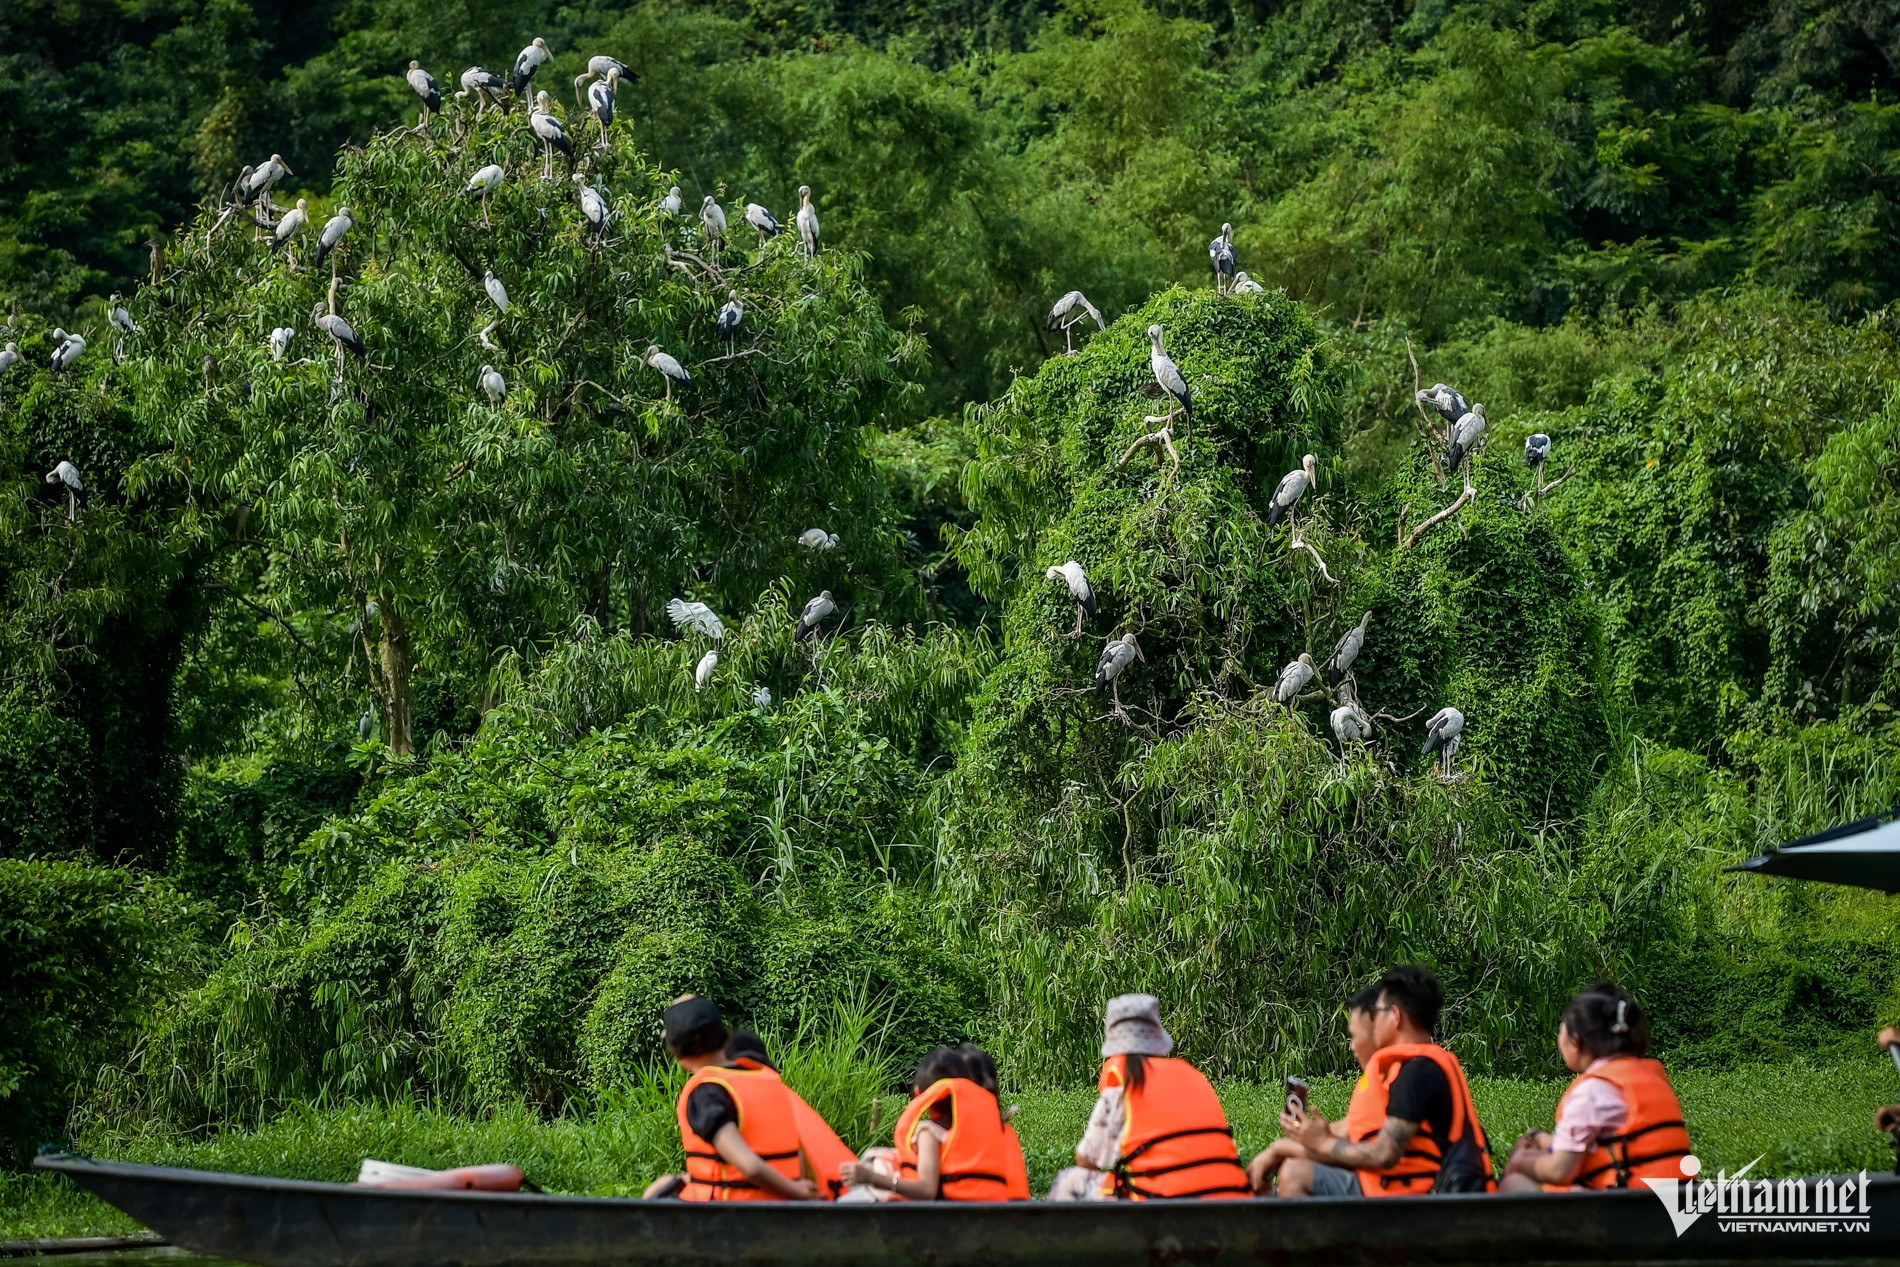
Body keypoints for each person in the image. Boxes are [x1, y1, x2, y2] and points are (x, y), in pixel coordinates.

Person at [1249, 965, 1493, 1197]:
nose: (1373, 1019)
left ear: (1395, 1016)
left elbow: (1384, 1154)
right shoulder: (1411, 1067)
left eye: (1378, 1012)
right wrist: (1305, 1141)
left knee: (1296, 1173)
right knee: (1297, 1165)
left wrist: (1321, 1144)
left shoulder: (1417, 1072)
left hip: (1420, 1198)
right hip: (1407, 1188)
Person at [1048, 994, 1251, 1201]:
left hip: (1160, 1207)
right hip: (1226, 1201)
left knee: (1070, 1179)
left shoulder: (1124, 1086)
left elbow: (1087, 1159)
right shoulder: (1194, 1076)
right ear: (1157, 1038)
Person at [1500, 984, 1691, 1192]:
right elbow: (1610, 1148)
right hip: (1670, 1202)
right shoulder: (1651, 1079)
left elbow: (1560, 1171)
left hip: (1625, 1211)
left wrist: (1520, 1161)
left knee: (1514, 1181)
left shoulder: (1591, 1092)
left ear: (1575, 1041)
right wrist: (1540, 1139)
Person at [642, 995, 815, 1201]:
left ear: (676, 1049)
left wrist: (798, 1193)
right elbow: (796, 1154)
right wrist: (796, 1192)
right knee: (669, 1183)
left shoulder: (707, 1092)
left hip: (734, 1211)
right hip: (784, 1201)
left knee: (654, 1200)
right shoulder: (764, 1077)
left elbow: (751, 1168)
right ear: (724, 1036)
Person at [840, 1046, 1030, 1200]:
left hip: (946, 1220)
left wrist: (871, 1177)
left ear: (919, 1092)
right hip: (995, 1215)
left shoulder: (930, 1133)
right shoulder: (993, 1131)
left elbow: (927, 1190)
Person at [722, 1028, 859, 1200]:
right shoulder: (779, 1093)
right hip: (849, 1197)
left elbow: (752, 1169)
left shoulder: (745, 1098)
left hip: (827, 1204)